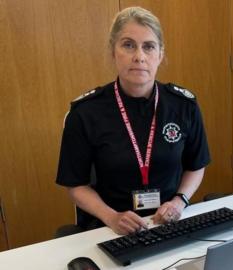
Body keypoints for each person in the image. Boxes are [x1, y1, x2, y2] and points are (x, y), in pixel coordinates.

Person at [56, 7, 210, 236]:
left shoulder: (184, 105)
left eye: (149, 46)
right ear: (113, 51)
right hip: (111, 228)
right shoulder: (85, 113)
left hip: (169, 222)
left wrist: (179, 201)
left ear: (160, 54)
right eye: (128, 45)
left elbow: (196, 165)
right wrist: (111, 217)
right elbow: (75, 184)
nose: (139, 56)